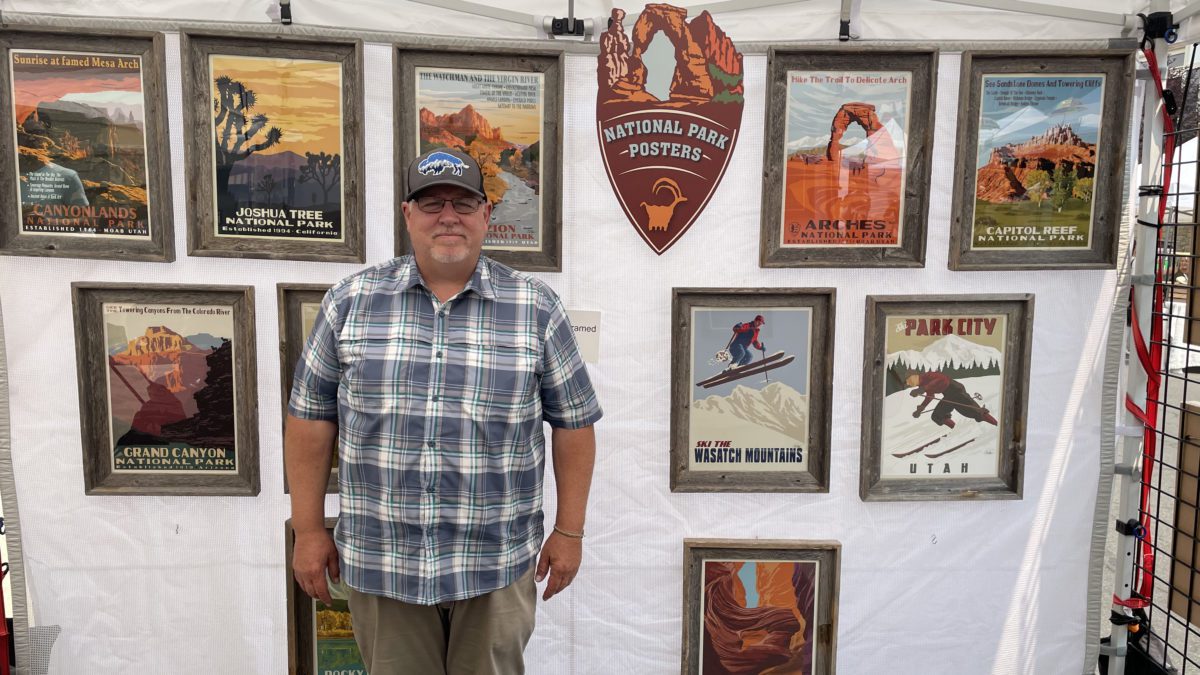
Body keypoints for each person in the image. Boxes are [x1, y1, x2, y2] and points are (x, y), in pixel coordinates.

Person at [285, 147, 602, 675]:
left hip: (496, 564)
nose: (448, 216)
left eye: (463, 202)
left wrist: (570, 532)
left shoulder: (536, 307)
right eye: (431, 203)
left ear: (486, 215)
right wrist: (309, 529)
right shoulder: (350, 302)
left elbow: (574, 423)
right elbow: (310, 419)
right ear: (408, 214)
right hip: (384, 561)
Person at [906, 371, 997, 428]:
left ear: (915, 376)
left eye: (909, 380)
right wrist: (920, 409)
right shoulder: (922, 385)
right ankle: (954, 430)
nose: (909, 383)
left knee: (970, 410)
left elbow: (943, 379)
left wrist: (922, 389)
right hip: (948, 395)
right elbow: (930, 396)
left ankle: (996, 424)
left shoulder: (928, 375)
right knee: (937, 415)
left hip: (955, 389)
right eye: (908, 383)